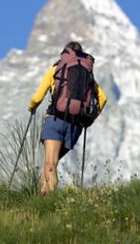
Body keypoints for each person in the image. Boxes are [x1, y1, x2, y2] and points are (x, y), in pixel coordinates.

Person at [27, 41, 106, 195]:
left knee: (50, 164)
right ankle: (40, 198)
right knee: (52, 163)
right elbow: (103, 98)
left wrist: (31, 107)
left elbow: (37, 98)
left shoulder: (55, 70)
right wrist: (90, 119)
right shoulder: (87, 75)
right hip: (75, 127)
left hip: (55, 121)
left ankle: (48, 202)